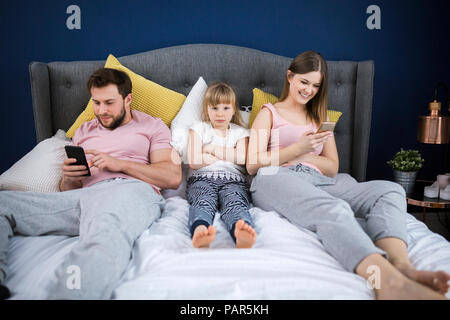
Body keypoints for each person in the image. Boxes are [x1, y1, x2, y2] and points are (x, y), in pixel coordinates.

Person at [246, 51, 450, 299]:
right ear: (290, 76)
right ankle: (385, 280)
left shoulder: (320, 118)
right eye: (304, 82)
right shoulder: (269, 113)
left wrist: (304, 155)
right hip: (276, 178)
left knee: (391, 190)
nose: (309, 90)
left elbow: (332, 165)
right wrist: (296, 149)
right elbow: (253, 164)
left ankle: (401, 265)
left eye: (315, 85)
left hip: (321, 180)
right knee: (335, 209)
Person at [0, 68, 182, 299]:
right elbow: (70, 191)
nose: (101, 110)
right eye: (96, 102)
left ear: (128, 99)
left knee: (104, 232)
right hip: (84, 197)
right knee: (3, 202)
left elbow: (172, 177)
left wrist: (120, 164)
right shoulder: (84, 131)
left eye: (109, 102)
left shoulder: (152, 126)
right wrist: (69, 178)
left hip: (130, 191)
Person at [186, 82, 257, 249]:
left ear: (233, 110)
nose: (220, 113)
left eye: (226, 108)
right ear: (206, 109)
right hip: (201, 179)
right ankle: (200, 229)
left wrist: (210, 150)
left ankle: (241, 230)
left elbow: (241, 157)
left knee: (235, 202)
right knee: (202, 201)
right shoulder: (198, 129)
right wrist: (227, 154)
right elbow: (194, 161)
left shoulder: (240, 132)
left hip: (234, 181)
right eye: (214, 108)